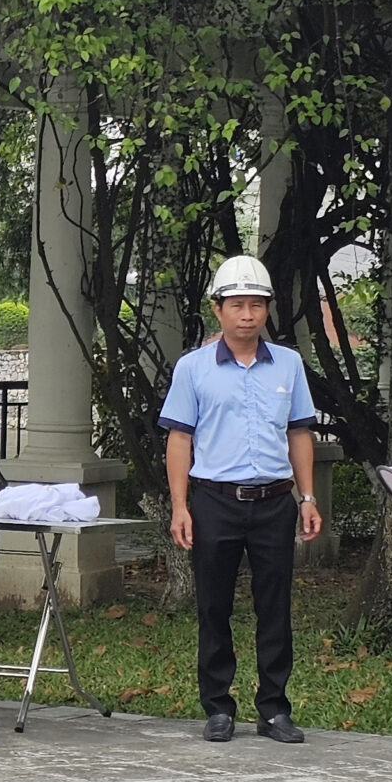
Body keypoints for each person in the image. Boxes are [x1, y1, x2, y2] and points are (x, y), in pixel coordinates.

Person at [163, 255, 323, 743]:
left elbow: (299, 432)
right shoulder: (193, 368)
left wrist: (307, 497)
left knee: (275, 607)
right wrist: (180, 506)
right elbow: (179, 439)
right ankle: (217, 706)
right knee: (213, 606)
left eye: (256, 304)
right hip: (215, 500)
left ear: (267, 309)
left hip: (274, 501)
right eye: (237, 305)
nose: (247, 315)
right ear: (218, 309)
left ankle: (274, 709)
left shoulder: (289, 364)